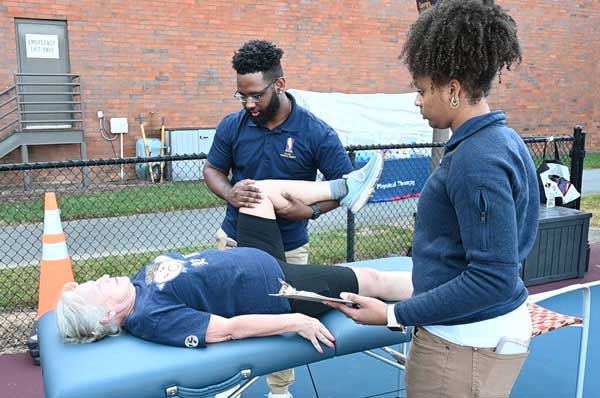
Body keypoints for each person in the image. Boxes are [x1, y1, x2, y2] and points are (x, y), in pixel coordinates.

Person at [327, 2, 540, 398]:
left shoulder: (477, 161)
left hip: (462, 345)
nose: (417, 100)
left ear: (454, 90)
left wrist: (392, 314)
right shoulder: (504, 141)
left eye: (422, 90)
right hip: (478, 334)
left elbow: (491, 277)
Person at [56, 153, 404, 360]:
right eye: (97, 287)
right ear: (108, 315)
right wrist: (297, 322)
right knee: (373, 280)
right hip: (277, 288)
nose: (102, 278)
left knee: (254, 191)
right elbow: (228, 330)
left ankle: (344, 190)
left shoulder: (137, 284)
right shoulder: (151, 317)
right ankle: (442, 295)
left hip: (254, 256)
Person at [203, 39, 354, 262]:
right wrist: (229, 193)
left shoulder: (317, 133)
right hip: (235, 240)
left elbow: (347, 186)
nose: (248, 104)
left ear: (279, 85)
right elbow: (212, 169)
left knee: (286, 298)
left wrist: (312, 211)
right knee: (235, 298)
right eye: (242, 96)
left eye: (256, 95)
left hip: (289, 248)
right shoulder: (232, 126)